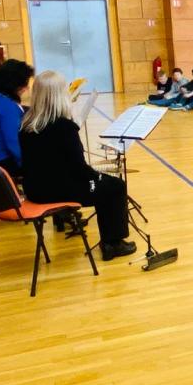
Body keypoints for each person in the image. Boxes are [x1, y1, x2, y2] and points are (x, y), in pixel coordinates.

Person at [19, 71, 136, 261]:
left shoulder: (27, 125)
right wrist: (99, 176)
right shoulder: (65, 127)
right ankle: (113, 244)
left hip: (35, 189)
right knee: (115, 186)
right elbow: (79, 168)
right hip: (59, 190)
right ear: (59, 96)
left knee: (104, 185)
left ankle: (109, 240)